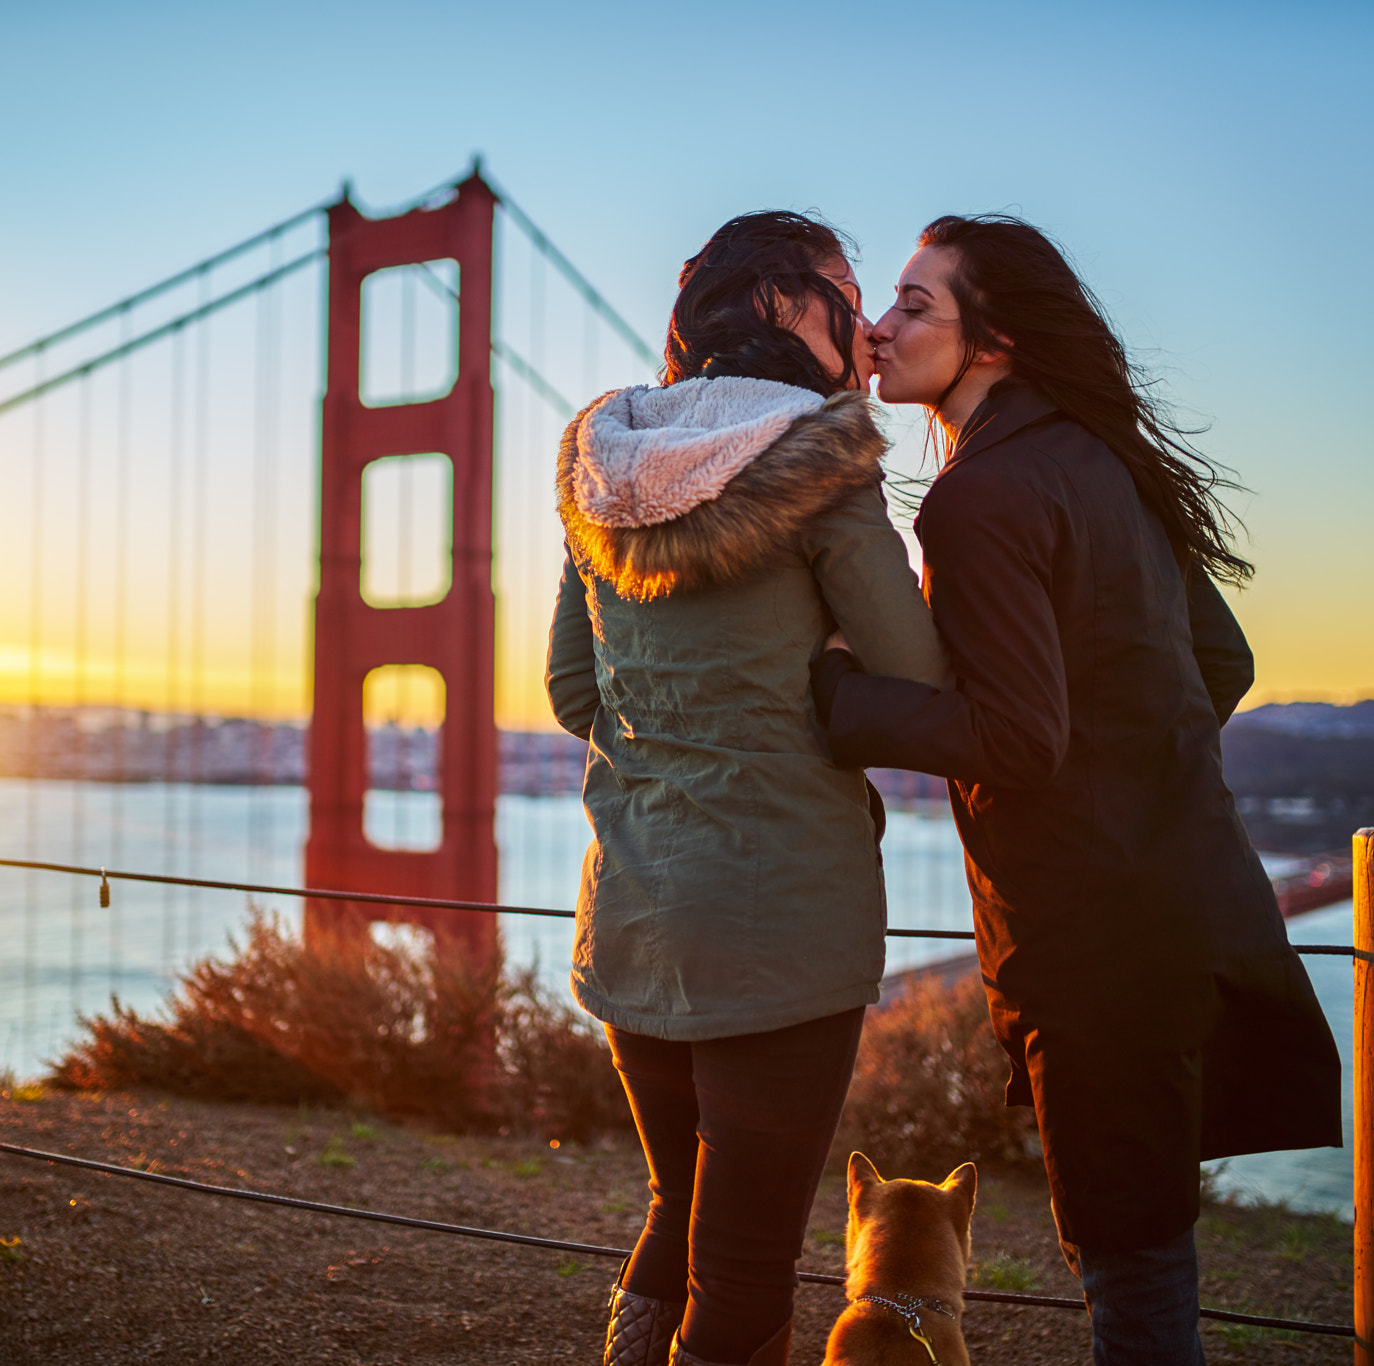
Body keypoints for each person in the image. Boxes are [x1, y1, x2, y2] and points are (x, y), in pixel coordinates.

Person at [814, 215, 1343, 1364]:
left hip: (1090, 944)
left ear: (992, 339)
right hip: (1185, 904)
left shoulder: (975, 497)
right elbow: (1221, 663)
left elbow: (1014, 736)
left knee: (1129, 1269)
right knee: (1149, 1246)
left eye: (913, 305)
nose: (875, 327)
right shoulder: (1103, 462)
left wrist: (836, 696)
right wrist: (1131, 786)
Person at [546, 211, 948, 1366]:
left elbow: (573, 687)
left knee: (682, 1208)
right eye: (844, 292)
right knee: (745, 1268)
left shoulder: (598, 456)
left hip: (628, 914)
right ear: (778, 303)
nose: (870, 331)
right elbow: (911, 679)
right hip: (783, 933)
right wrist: (814, 678)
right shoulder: (826, 455)